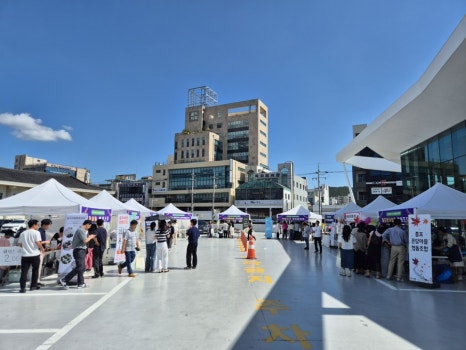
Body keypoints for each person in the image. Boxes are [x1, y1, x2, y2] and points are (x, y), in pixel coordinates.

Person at [59, 219, 95, 289]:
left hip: (81, 250)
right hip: (79, 250)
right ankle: (64, 279)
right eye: (89, 226)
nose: (89, 228)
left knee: (82, 268)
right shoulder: (81, 230)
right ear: (87, 224)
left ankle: (81, 283)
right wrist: (90, 237)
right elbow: (85, 240)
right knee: (80, 267)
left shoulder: (81, 230)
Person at [17, 219, 45, 293]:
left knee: (24, 272)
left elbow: (19, 244)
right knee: (35, 270)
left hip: (25, 255)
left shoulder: (23, 233)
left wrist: (26, 246)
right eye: (37, 225)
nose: (38, 226)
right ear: (34, 225)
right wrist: (42, 249)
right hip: (35, 254)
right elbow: (38, 243)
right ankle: (33, 286)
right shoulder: (36, 232)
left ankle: (22, 288)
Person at [37, 218, 52, 287]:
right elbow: (38, 242)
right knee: (38, 266)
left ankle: (37, 280)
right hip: (39, 251)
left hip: (41, 250)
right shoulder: (39, 232)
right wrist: (46, 242)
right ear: (44, 225)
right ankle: (36, 281)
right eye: (49, 225)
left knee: (39, 266)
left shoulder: (43, 231)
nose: (49, 227)